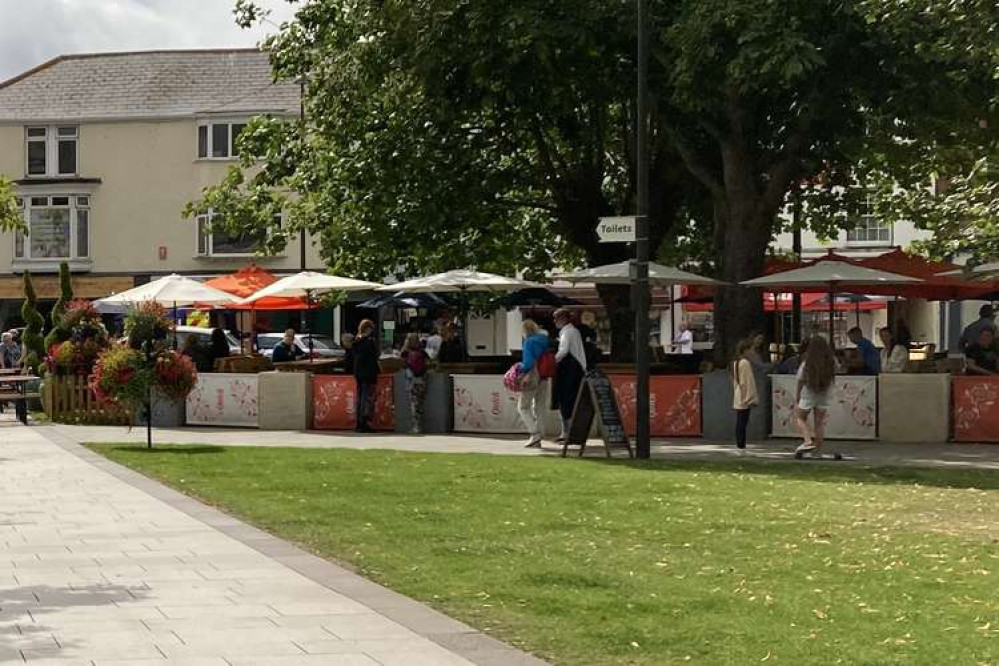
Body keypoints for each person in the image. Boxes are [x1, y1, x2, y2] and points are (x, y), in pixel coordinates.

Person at [794, 336, 837, 457]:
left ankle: (807, 441)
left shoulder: (807, 362)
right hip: (824, 394)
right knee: (819, 423)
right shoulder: (831, 361)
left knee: (800, 417)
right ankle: (817, 450)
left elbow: (800, 380)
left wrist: (797, 395)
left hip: (809, 393)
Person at [551, 308, 587, 442]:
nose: (554, 321)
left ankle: (567, 433)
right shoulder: (572, 331)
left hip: (570, 369)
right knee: (569, 401)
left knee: (566, 400)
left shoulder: (568, 332)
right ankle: (567, 433)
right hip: (576, 368)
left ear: (564, 319)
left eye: (556, 318)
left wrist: (552, 361)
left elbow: (564, 350)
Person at [517, 320, 549, 448]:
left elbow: (528, 362)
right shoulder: (544, 341)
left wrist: (522, 370)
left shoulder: (529, 342)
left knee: (523, 407)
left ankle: (534, 433)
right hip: (544, 375)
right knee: (540, 406)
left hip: (532, 375)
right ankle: (540, 433)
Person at [352, 319, 381, 432]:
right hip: (368, 373)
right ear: (368, 329)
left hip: (358, 373)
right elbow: (374, 356)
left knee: (360, 397)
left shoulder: (356, 341)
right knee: (366, 397)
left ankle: (359, 422)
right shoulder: (369, 342)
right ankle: (365, 420)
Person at [731, 338, 758, 452]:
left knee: (740, 420)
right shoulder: (745, 363)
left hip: (738, 394)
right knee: (742, 421)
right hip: (743, 395)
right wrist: (747, 396)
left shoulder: (736, 362)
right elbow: (745, 381)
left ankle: (740, 442)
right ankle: (741, 443)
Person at [401, 332, 429, 434]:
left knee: (413, 402)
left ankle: (416, 426)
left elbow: (401, 362)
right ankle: (419, 425)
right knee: (420, 402)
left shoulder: (406, 352)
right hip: (422, 379)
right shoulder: (422, 352)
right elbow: (429, 363)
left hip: (411, 379)